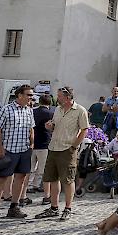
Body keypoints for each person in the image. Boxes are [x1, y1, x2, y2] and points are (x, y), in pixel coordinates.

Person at [35, 86, 88, 221]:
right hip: (53, 147)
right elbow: (55, 125)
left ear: (68, 97)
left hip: (67, 149)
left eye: (59, 96)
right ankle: (54, 207)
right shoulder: (57, 109)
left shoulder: (80, 111)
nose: (56, 98)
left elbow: (84, 130)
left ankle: (68, 208)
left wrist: (74, 146)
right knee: (52, 178)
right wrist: (50, 126)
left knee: (68, 179)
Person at [0, 84, 35, 218]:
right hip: (8, 150)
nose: (31, 97)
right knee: (2, 179)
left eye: (32, 95)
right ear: (20, 95)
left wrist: (31, 144)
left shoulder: (29, 110)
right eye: (29, 95)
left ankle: (14, 207)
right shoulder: (6, 109)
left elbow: (31, 128)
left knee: (21, 178)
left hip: (24, 150)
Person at [29, 94, 54, 203]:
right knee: (42, 168)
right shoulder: (50, 114)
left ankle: (29, 185)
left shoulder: (33, 112)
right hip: (44, 143)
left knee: (31, 167)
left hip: (32, 142)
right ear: (50, 103)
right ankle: (38, 185)